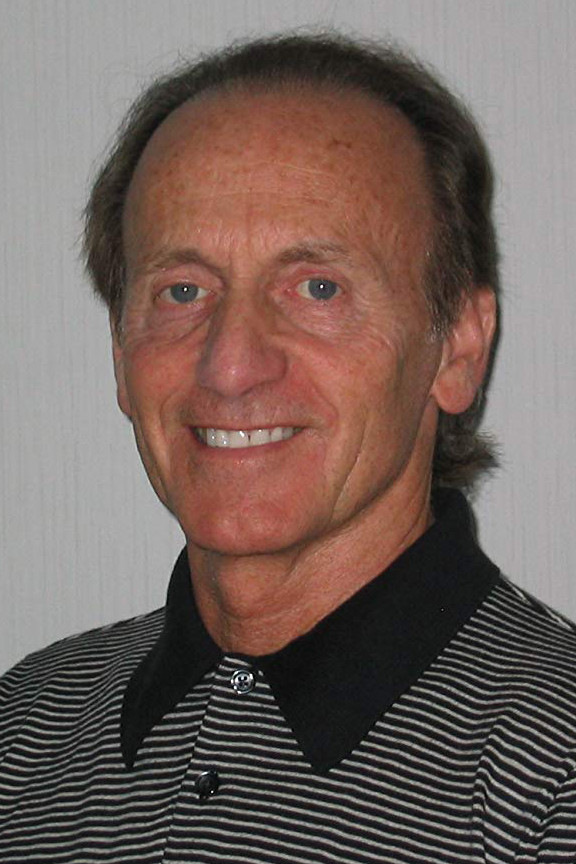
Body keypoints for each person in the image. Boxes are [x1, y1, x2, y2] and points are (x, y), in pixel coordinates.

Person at [1, 32, 575, 864]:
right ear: (121, 353)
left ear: (457, 347)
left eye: (317, 288)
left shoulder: (553, 784)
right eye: (182, 290)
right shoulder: (23, 730)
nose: (230, 365)